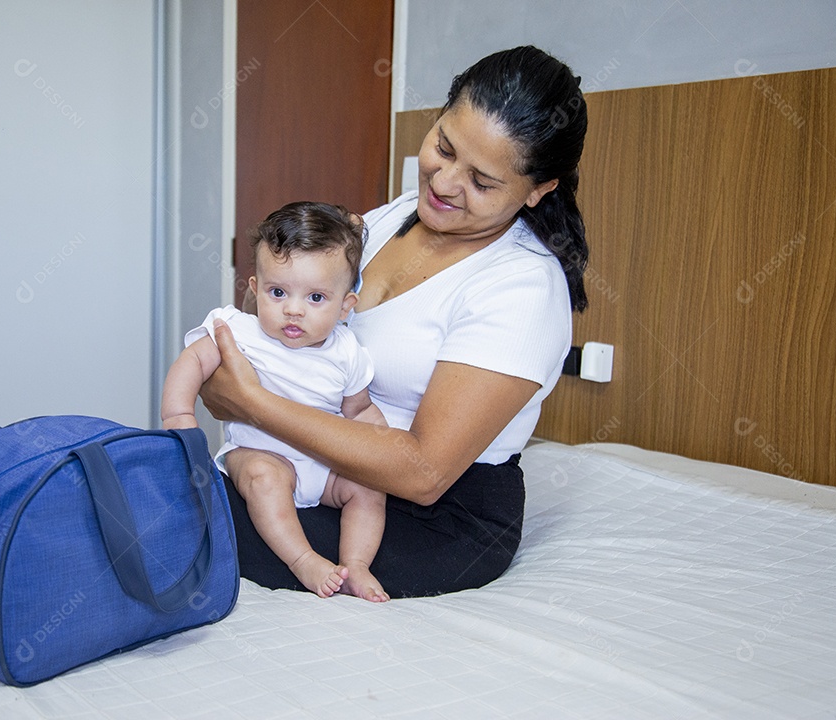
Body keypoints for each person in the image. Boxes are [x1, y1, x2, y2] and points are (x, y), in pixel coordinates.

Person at [198, 46, 590, 599]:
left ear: (539, 189)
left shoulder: (523, 287)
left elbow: (426, 473)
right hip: (317, 467)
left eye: (482, 182)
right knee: (164, 489)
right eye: (444, 147)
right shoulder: (388, 221)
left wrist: (254, 403)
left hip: (434, 515)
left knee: (183, 521)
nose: (446, 183)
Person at [162, 201, 391, 602]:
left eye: (316, 297)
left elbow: (359, 410)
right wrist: (178, 414)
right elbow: (193, 362)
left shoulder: (348, 351)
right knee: (265, 481)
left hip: (322, 465)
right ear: (255, 289)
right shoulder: (240, 330)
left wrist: (382, 444)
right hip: (257, 453)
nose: (293, 309)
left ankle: (355, 564)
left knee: (368, 487)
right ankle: (302, 559)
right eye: (278, 292)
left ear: (344, 307)